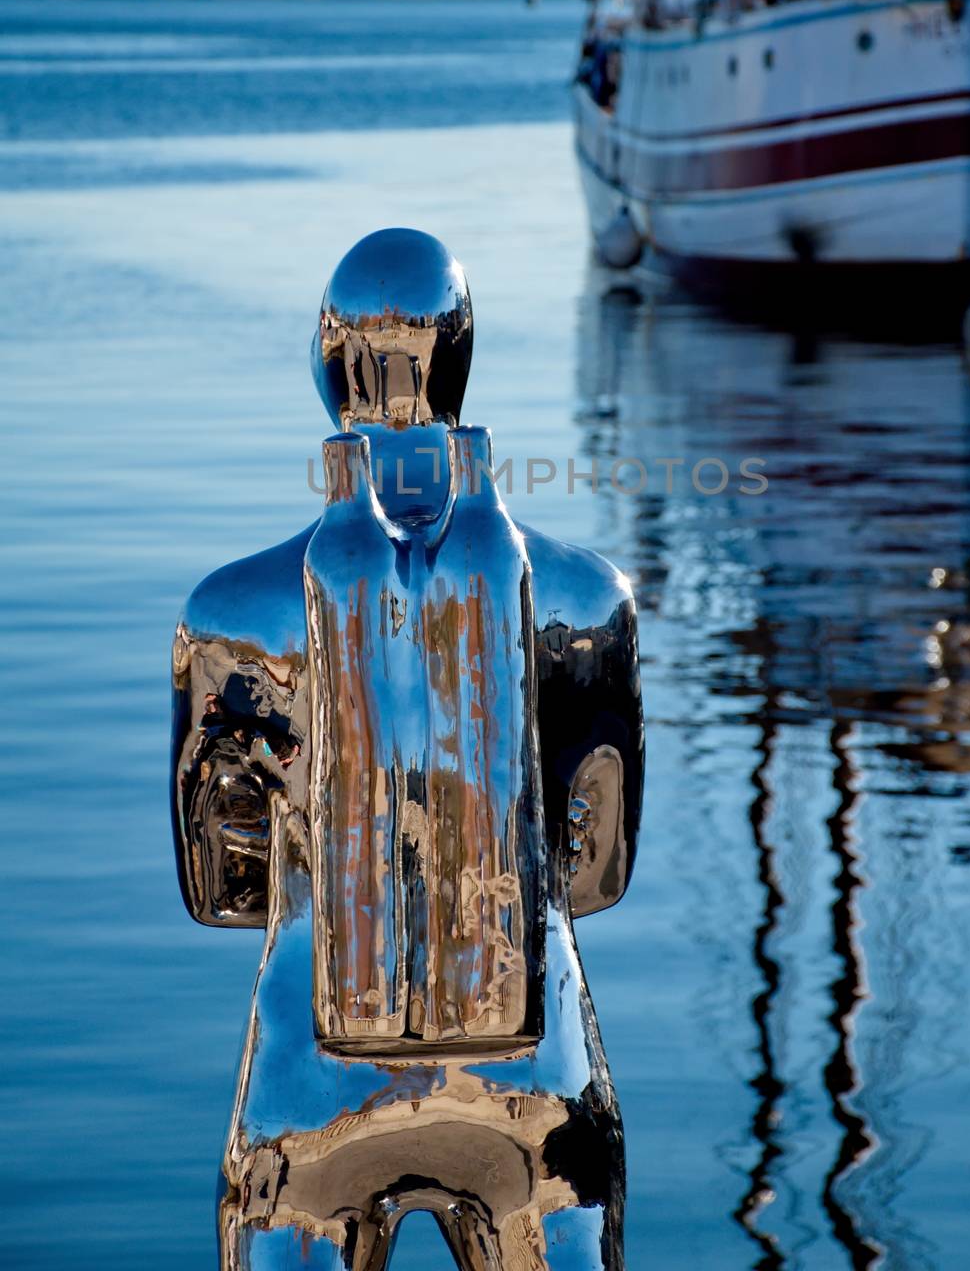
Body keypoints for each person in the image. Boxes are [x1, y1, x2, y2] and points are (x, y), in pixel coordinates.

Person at [171, 229, 644, 1269]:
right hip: (533, 1073)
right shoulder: (586, 595)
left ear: (329, 369)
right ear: (463, 361)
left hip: (315, 1073)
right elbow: (598, 874)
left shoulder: (230, 611)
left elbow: (216, 891)